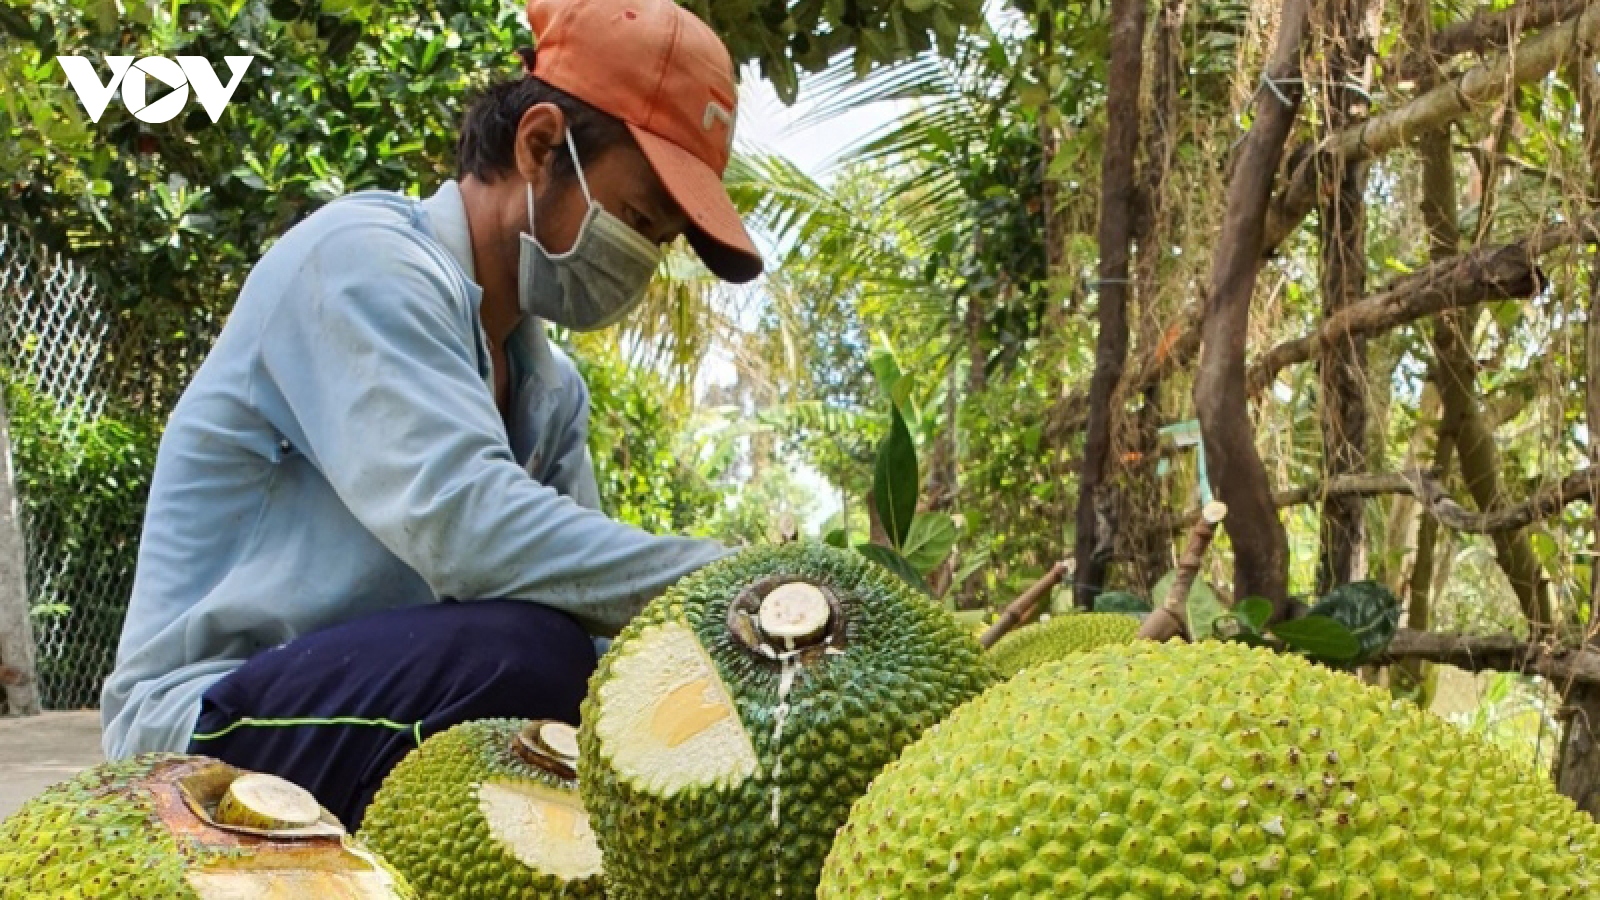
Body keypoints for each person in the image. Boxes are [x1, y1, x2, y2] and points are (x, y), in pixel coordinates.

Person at [100, 0, 763, 828]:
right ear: (540, 145)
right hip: (202, 723)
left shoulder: (548, 388)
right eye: (634, 219)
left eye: (656, 242)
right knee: (525, 659)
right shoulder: (361, 262)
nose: (638, 260)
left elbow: (596, 621)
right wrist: (740, 584)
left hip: (366, 702)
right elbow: (469, 529)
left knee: (589, 683)